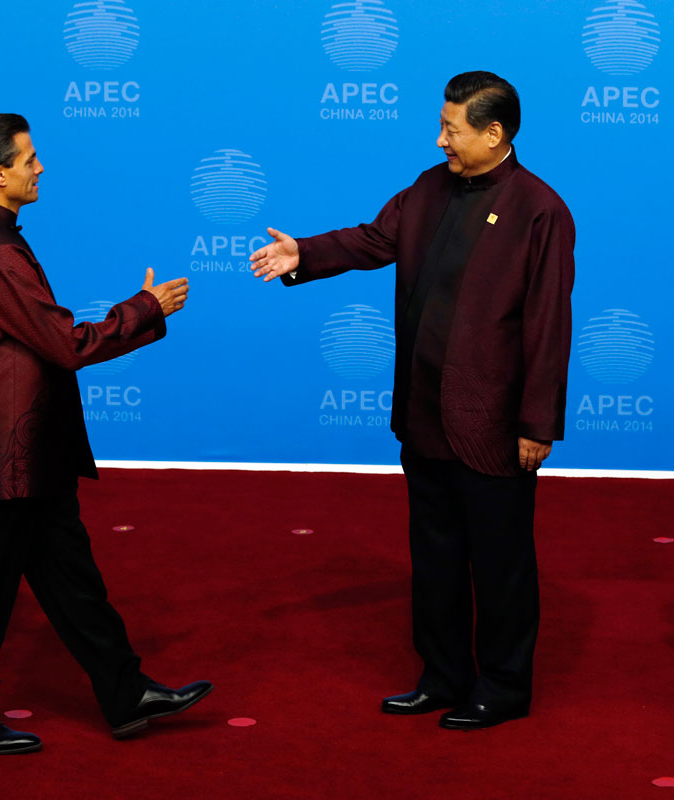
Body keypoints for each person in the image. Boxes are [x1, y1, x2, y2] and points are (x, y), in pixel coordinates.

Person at [250, 71, 575, 731]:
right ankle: (443, 676)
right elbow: (373, 239)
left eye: (451, 129)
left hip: (494, 423)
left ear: (494, 133)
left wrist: (537, 423)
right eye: (442, 126)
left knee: (502, 565)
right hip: (423, 413)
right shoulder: (428, 188)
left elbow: (548, 326)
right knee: (434, 559)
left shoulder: (541, 210)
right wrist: (302, 254)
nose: (440, 140)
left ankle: (504, 687)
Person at [0, 113, 210, 755]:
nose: (40, 167)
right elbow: (65, 344)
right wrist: (144, 309)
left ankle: (125, 691)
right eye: (28, 158)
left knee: (72, 581)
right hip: (8, 458)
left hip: (29, 453)